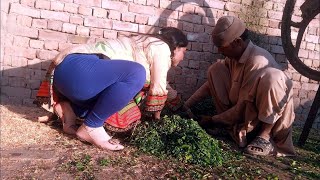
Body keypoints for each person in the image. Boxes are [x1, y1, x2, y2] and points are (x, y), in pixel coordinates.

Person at [35, 27, 188, 150]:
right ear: (176, 47)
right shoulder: (161, 48)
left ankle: (70, 109)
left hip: (66, 74)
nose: (183, 58)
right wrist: (157, 120)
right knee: (137, 73)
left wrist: (183, 107)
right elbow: (158, 88)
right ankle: (91, 126)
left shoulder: (144, 44)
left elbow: (164, 88)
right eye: (184, 52)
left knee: (115, 103)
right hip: (81, 70)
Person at [184, 16, 295, 157]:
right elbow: (210, 84)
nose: (219, 51)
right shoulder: (234, 58)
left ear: (237, 42)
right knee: (216, 69)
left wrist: (213, 120)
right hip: (242, 118)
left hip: (262, 123)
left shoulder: (257, 61)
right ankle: (230, 128)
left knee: (273, 76)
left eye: (221, 47)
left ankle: (264, 138)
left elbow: (242, 108)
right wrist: (186, 105)